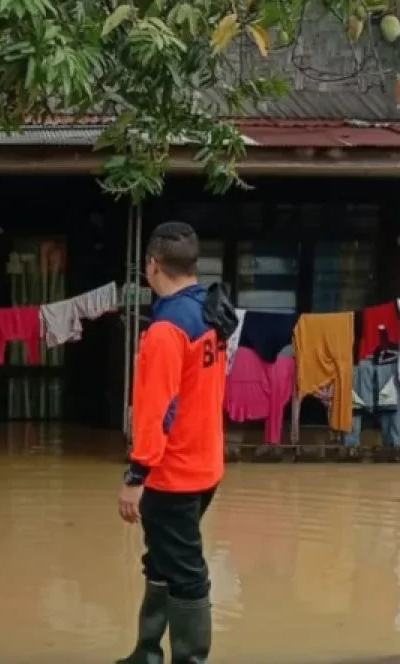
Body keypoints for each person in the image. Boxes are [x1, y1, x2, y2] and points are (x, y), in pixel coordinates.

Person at [117, 221, 237, 664]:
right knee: (163, 560)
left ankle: (188, 658)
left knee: (186, 572)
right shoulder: (210, 311)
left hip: (173, 474)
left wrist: (136, 476)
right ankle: (146, 652)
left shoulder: (167, 329)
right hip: (206, 466)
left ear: (152, 265)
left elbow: (155, 411)